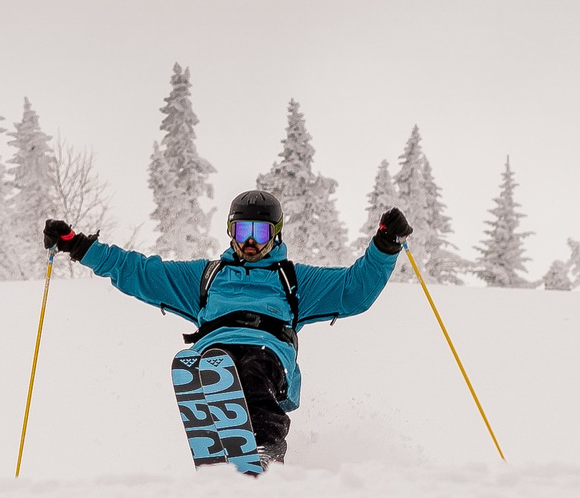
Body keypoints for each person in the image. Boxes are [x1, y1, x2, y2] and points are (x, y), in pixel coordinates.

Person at [42, 192, 414, 475]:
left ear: (275, 235)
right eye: (242, 231)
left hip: (269, 359)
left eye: (259, 232)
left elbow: (353, 290)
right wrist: (77, 245)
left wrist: (384, 246)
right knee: (212, 361)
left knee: (250, 365)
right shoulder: (206, 277)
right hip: (213, 353)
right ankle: (219, 436)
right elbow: (138, 271)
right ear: (230, 232)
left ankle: (266, 448)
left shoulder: (294, 280)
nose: (250, 241)